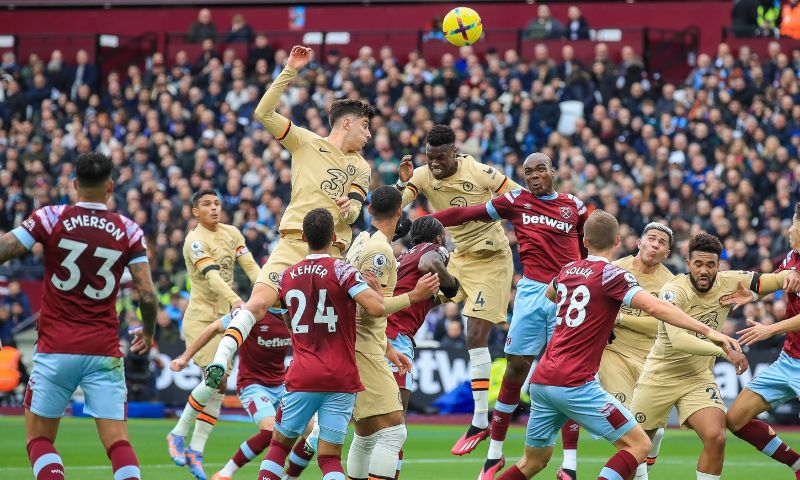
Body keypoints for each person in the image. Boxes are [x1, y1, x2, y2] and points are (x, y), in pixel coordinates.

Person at [493, 210, 741, 480]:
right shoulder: (613, 275)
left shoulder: (567, 270)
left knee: (533, 462)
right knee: (640, 445)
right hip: (575, 383)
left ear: (584, 241)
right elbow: (656, 308)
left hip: (542, 381)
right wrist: (708, 331)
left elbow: (551, 293)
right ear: (618, 242)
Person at [204, 45, 373, 389]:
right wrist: (290, 70)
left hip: (334, 254)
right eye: (365, 126)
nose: (368, 134)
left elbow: (356, 208)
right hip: (294, 242)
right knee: (259, 302)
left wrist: (349, 208)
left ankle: (315, 428)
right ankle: (221, 359)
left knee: (335, 332)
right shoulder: (305, 143)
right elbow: (263, 113)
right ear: (347, 122)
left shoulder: (361, 166)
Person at [429, 152, 588, 478]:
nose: (533, 176)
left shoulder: (575, 205)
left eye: (540, 170)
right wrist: (426, 222)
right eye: (528, 171)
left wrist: (584, 278)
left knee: (570, 373)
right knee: (516, 368)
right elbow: (467, 213)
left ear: (553, 172)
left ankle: (569, 464)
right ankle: (495, 454)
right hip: (530, 293)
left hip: (568, 291)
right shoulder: (515, 200)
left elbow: (587, 246)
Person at [2, 152, 158, 480]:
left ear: (75, 185)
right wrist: (148, 330)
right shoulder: (128, 230)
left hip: (55, 348)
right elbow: (147, 293)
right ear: (110, 187)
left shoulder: (50, 217)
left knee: (39, 439)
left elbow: (5, 250)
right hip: (103, 349)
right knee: (118, 444)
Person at [629, 232, 800, 480]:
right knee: (636, 446)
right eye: (698, 264)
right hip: (659, 376)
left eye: (710, 265)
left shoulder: (731, 282)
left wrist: (791, 275)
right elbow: (678, 339)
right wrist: (723, 350)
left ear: (718, 266)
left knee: (716, 437)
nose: (704, 270)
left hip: (697, 378)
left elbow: (771, 280)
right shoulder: (672, 291)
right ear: (688, 264)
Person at [396, 124, 524, 456]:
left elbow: (520, 198)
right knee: (407, 297)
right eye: (430, 156)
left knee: (474, 335)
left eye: (440, 157)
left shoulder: (480, 172)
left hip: (492, 259)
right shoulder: (423, 175)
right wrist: (402, 182)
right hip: (457, 258)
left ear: (454, 152)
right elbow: (394, 207)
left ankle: (480, 419)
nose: (434, 164)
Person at [255, 207, 385, 480]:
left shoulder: (288, 276)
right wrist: (377, 291)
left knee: (278, 448)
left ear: (303, 237)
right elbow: (375, 308)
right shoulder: (342, 269)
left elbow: (289, 321)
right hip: (342, 376)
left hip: (303, 373)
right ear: (335, 236)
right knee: (329, 458)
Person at [563, 223, 676, 480]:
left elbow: (661, 323)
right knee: (631, 426)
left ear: (667, 253)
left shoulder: (670, 283)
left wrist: (620, 319)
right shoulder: (615, 269)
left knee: (654, 431)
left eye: (662, 242)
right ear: (639, 243)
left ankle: (649, 452)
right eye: (651, 239)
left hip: (650, 360)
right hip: (613, 355)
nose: (655, 244)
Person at [345, 186, 441, 480]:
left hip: (364, 343)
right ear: (401, 212)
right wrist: (415, 295)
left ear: (369, 209)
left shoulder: (360, 241)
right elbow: (372, 309)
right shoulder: (382, 252)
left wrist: (387, 347)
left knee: (365, 435)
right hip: (364, 349)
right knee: (394, 432)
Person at [166, 189, 261, 480]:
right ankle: (177, 433)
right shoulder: (194, 241)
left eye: (217, 203)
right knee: (215, 377)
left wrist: (267, 291)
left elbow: (250, 267)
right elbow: (213, 277)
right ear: (195, 211)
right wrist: (235, 300)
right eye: (206, 204)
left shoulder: (233, 233)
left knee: (218, 387)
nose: (214, 208)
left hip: (228, 313)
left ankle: (196, 448)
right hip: (201, 316)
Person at [170, 308, 314, 480]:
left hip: (282, 384)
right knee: (269, 431)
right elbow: (214, 327)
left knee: (313, 433)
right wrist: (185, 358)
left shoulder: (293, 310)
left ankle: (290, 477)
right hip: (253, 385)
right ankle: (225, 473)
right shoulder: (253, 310)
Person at [725, 203, 800, 479]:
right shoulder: (791, 257)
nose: (789, 228)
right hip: (789, 360)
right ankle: (797, 465)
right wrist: (754, 296)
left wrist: (770, 329)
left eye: (794, 222)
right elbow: (775, 282)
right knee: (735, 419)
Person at [383, 216, 460, 479]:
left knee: (373, 425)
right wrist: (452, 286)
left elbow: (414, 298)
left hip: (380, 335)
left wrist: (439, 297)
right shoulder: (433, 251)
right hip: (396, 340)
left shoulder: (404, 256)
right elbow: (432, 264)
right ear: (438, 238)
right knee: (395, 427)